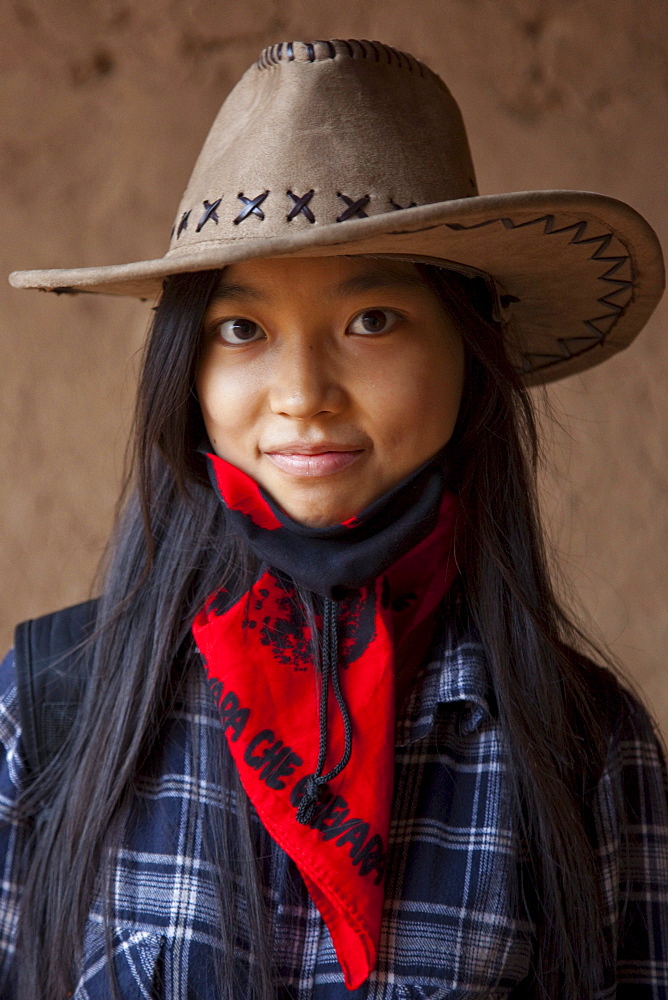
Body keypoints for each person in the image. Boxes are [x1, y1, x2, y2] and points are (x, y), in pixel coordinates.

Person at [2, 37, 667, 1000]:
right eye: (243, 330)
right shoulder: (53, 711)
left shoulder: (586, 753)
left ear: (469, 351)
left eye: (373, 321)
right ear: (187, 369)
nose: (303, 393)